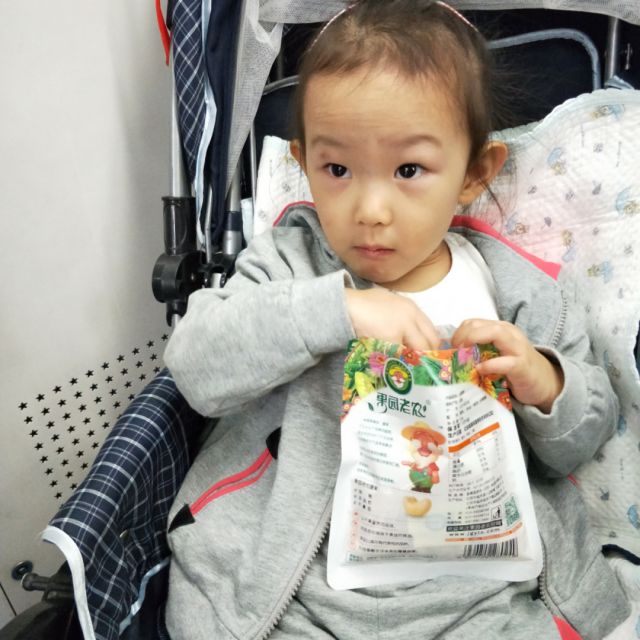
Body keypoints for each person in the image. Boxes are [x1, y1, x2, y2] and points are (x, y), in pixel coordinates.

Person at [163, 1, 629, 638]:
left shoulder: (510, 288)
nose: (371, 209)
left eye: (409, 170)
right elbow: (196, 365)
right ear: (303, 164)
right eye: (337, 170)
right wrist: (338, 308)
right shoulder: (288, 263)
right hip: (296, 582)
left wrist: (544, 381)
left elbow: (583, 438)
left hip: (472, 590)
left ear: (473, 174)